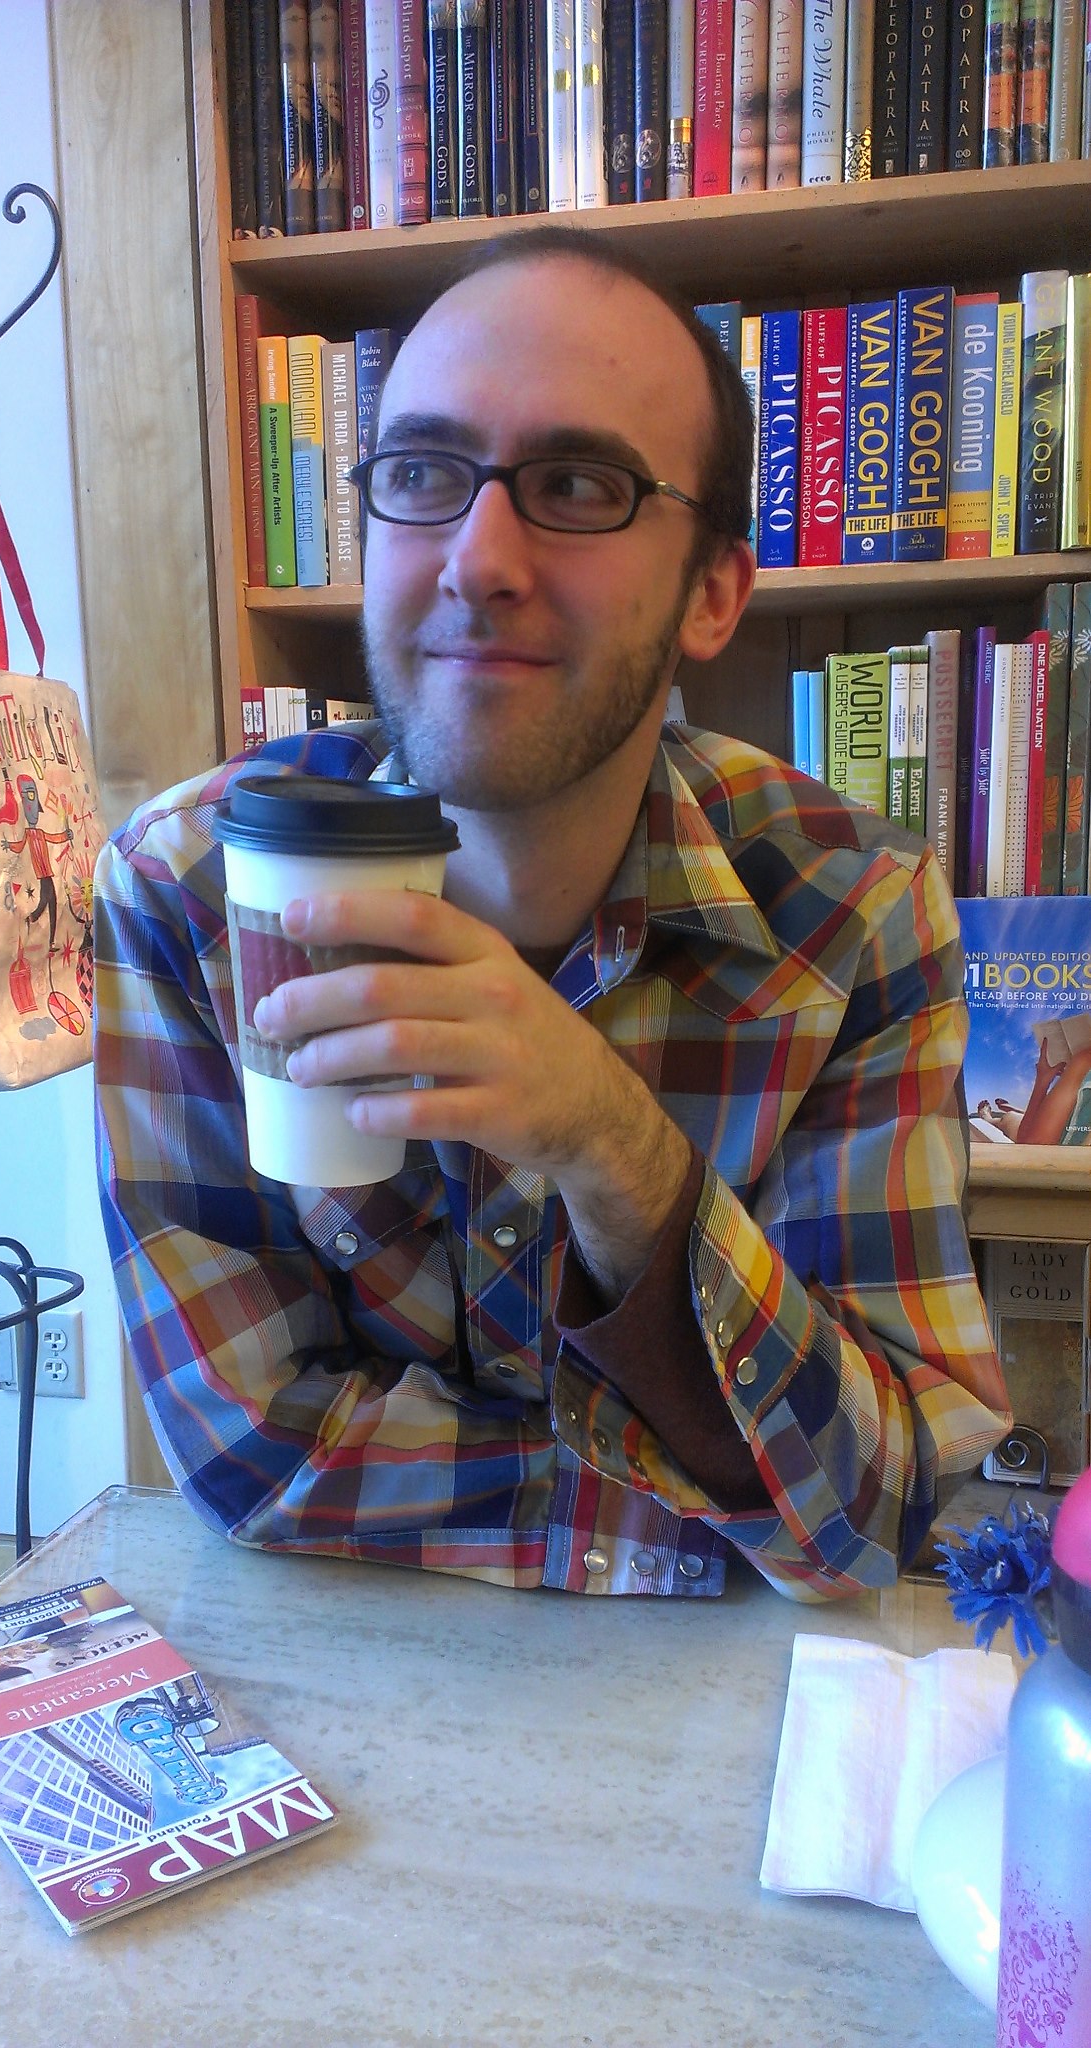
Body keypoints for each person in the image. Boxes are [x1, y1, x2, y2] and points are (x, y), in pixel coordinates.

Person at [94, 227, 1010, 1603]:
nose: (477, 560)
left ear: (713, 591)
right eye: (421, 475)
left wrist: (612, 1146)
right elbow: (251, 1453)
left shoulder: (854, 908)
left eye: (574, 484)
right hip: (346, 1692)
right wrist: (732, 1519)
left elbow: (886, 1494)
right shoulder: (187, 885)